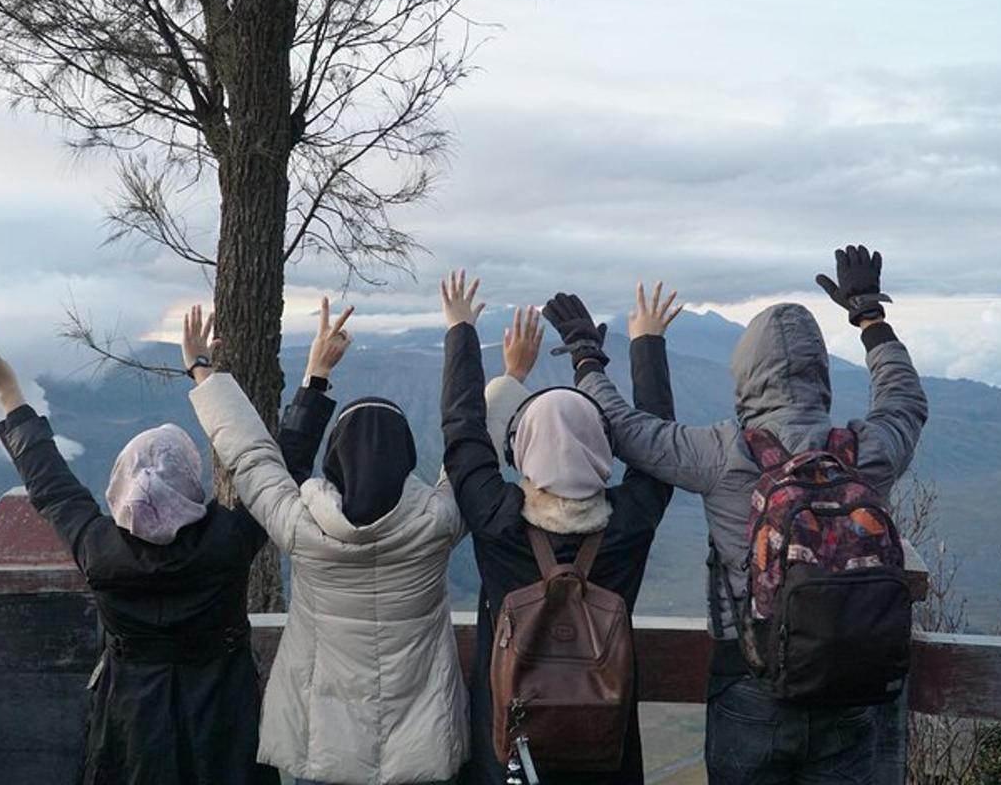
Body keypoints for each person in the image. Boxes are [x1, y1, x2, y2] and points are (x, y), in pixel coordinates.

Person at [548, 246, 929, 784]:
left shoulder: (723, 453)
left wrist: (587, 355)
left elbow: (623, 428)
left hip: (749, 688)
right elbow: (905, 399)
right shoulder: (865, 452)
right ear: (820, 371)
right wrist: (869, 316)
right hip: (853, 693)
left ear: (746, 374)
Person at [0, 319, 313, 785]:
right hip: (224, 715)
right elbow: (281, 471)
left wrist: (8, 395)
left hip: (132, 723)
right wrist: (313, 379)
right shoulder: (227, 542)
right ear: (190, 483)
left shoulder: (101, 552)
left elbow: (51, 485)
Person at [183, 299, 470, 785]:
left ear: (334, 461)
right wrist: (492, 363)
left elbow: (252, 457)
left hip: (323, 751)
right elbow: (468, 454)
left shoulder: (301, 527)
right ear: (406, 458)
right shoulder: (438, 521)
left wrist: (204, 373)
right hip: (422, 751)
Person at [439, 271, 676, 785]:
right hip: (604, 752)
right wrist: (643, 344)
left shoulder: (497, 518)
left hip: (510, 754)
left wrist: (460, 332)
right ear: (602, 447)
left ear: (519, 450)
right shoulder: (629, 521)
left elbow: (463, 432)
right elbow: (659, 445)